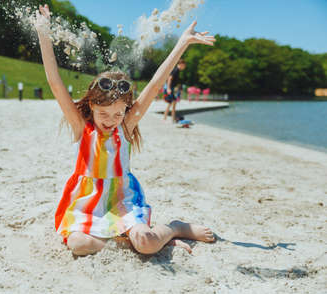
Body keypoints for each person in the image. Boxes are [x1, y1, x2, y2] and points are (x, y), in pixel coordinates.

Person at [34, 4, 216, 256]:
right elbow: (54, 82)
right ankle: (136, 242)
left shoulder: (127, 127)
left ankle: (173, 228)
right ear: (91, 106)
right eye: (104, 114)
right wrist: (44, 33)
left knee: (148, 243)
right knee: (78, 245)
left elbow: (154, 86)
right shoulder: (82, 126)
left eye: (118, 113)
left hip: (122, 201)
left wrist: (182, 43)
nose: (111, 120)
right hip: (87, 204)